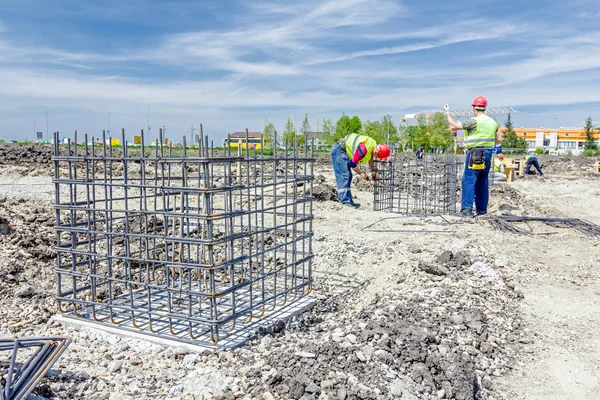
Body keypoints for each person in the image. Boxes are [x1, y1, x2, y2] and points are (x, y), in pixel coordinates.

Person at [444, 96, 499, 217]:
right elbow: (499, 139)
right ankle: (481, 211)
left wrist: (447, 113)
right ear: (485, 108)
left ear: (474, 108)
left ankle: (467, 210)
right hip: (488, 153)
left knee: (468, 180)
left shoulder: (473, 121)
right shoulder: (493, 122)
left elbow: (453, 126)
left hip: (475, 153)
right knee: (482, 181)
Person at [330, 133, 391, 208]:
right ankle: (344, 201)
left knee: (349, 176)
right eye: (378, 157)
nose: (377, 158)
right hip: (339, 150)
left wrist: (373, 172)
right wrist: (362, 174)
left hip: (344, 152)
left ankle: (348, 201)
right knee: (344, 175)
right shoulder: (364, 149)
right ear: (376, 152)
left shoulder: (373, 146)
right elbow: (352, 164)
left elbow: (371, 159)